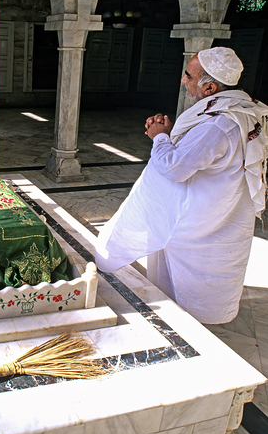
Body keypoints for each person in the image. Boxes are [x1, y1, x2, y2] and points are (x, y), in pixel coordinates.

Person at [95, 47, 267, 324]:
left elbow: (175, 167)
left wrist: (160, 137)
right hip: (222, 208)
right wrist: (169, 134)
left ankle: (189, 321)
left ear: (210, 87)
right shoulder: (243, 109)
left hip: (199, 215)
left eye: (189, 75)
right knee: (210, 265)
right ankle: (192, 313)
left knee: (194, 268)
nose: (183, 80)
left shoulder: (219, 124)